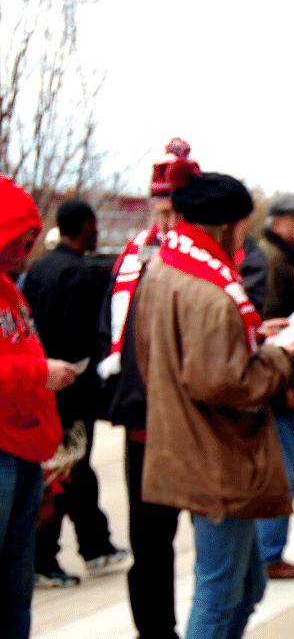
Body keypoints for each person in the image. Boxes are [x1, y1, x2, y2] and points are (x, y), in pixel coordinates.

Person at [134, 172, 294, 639]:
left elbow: (182, 356)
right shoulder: (210, 293)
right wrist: (277, 356)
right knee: (221, 588)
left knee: (245, 584)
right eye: (244, 225)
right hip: (218, 455)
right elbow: (226, 383)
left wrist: (250, 339)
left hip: (186, 442)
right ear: (227, 225)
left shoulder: (165, 269)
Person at [97, 137, 200, 639]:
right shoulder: (133, 258)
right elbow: (107, 330)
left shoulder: (205, 259)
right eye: (159, 208)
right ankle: (156, 631)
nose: (165, 218)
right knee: (151, 542)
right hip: (144, 421)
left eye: (173, 208)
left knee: (209, 539)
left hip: (194, 422)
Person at [20, 197, 129, 587]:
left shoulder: (37, 270)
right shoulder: (80, 275)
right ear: (84, 226)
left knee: (69, 472)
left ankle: (93, 545)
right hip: (68, 389)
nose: (97, 231)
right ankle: (45, 558)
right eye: (94, 224)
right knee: (64, 472)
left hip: (34, 384)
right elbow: (78, 341)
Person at [0, 175, 72, 638]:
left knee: (14, 590)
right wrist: (42, 374)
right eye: (18, 239)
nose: (24, 249)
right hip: (5, 450)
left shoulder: (11, 288)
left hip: (23, 450)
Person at [253, 194, 294, 580]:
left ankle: (265, 548)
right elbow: (278, 325)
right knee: (288, 468)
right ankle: (266, 552)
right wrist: (289, 384)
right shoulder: (272, 261)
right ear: (278, 222)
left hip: (291, 378)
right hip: (280, 382)